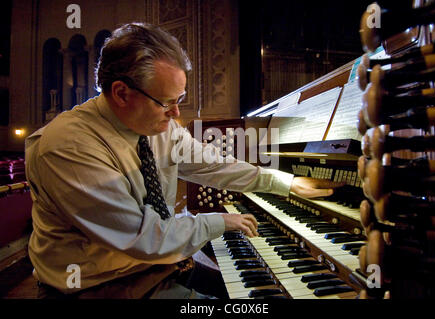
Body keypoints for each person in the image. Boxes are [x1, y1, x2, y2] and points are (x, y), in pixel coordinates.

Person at [25, 22, 343, 299]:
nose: (177, 113)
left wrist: (284, 183)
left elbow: (212, 164)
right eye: (166, 102)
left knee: (259, 295)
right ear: (121, 93)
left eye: (179, 101)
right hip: (101, 286)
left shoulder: (159, 128)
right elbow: (145, 237)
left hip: (158, 267)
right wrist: (221, 222)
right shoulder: (68, 147)